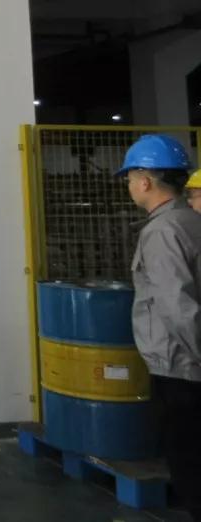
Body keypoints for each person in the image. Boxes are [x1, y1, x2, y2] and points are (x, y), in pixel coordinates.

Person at [118, 134, 201, 522]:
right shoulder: (191, 220)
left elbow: (177, 306)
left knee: (190, 465)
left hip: (181, 367)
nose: (129, 186)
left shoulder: (162, 232)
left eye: (130, 178)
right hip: (188, 364)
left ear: (146, 181)